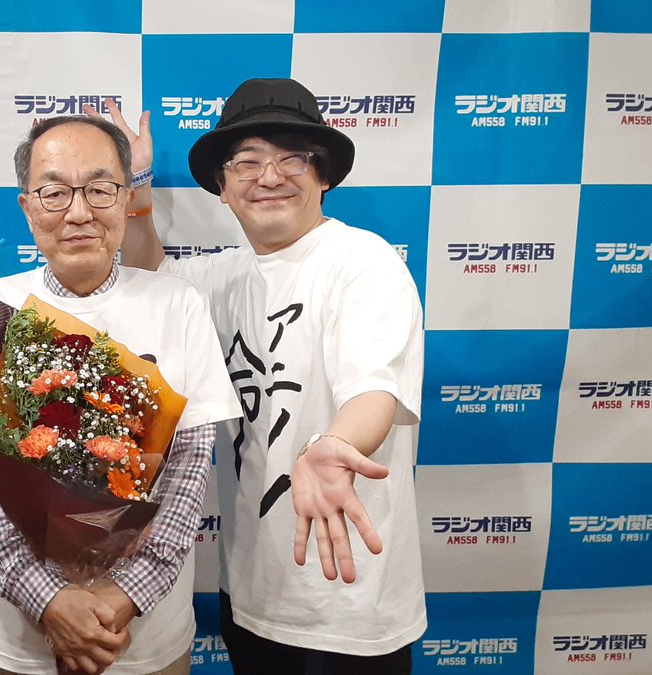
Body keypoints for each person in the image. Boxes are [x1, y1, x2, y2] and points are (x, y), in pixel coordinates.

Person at [105, 78, 426, 673]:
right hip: (253, 591)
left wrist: (334, 446)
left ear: (322, 175)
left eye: (291, 159)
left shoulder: (363, 263)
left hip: (347, 598)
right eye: (247, 162)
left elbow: (373, 390)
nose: (269, 176)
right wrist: (139, 185)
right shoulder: (224, 276)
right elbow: (150, 281)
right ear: (223, 189)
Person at [0, 116, 241, 675]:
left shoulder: (178, 304)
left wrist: (128, 593)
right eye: (54, 192)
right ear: (27, 208)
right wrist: (47, 599)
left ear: (125, 198)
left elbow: (191, 468)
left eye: (99, 189)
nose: (78, 212)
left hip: (145, 635)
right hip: (17, 640)